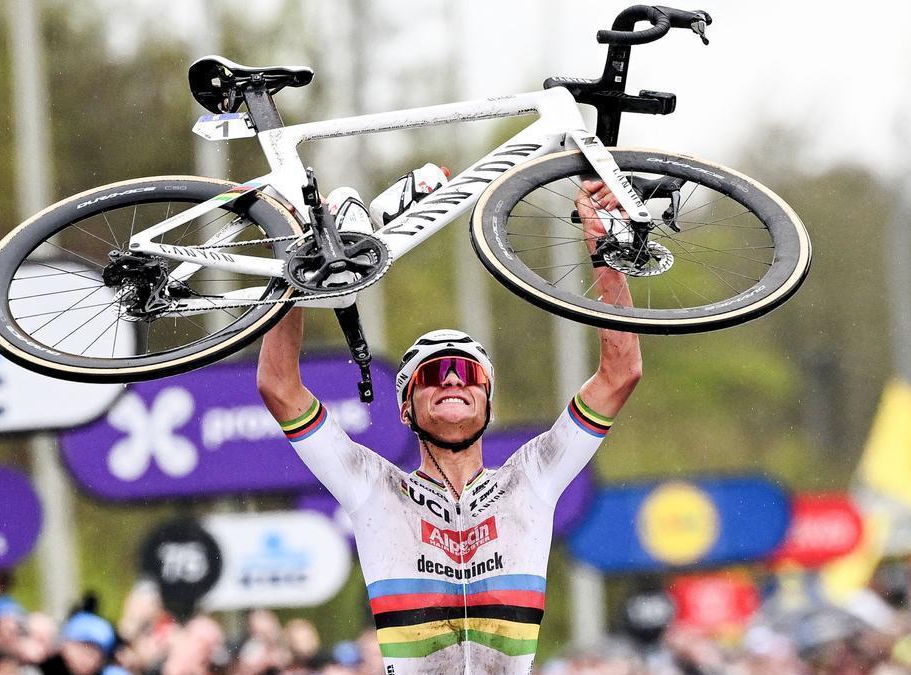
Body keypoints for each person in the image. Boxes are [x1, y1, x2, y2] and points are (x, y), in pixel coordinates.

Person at [257, 181, 642, 674]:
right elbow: (279, 386)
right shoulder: (373, 487)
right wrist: (294, 266)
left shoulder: (531, 478)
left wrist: (601, 241)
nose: (453, 380)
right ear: (406, 409)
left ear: (489, 405)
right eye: (434, 374)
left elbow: (620, 373)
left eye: (468, 373)